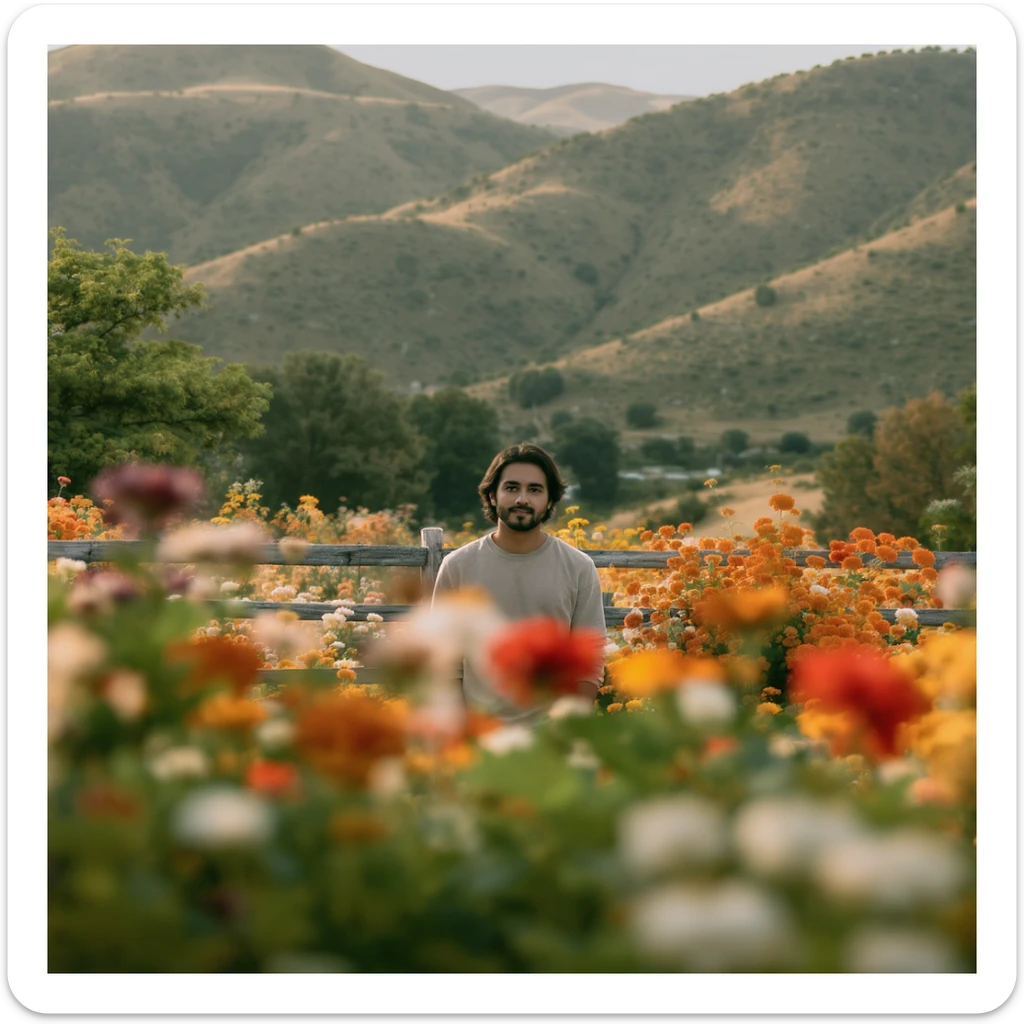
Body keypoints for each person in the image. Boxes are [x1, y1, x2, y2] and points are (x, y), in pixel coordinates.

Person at [431, 442, 607, 723]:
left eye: (534, 490)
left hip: (551, 737)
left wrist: (571, 728)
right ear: (492, 495)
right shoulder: (458, 567)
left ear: (550, 500)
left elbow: (590, 656)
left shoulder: (578, 568)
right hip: (480, 736)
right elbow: (443, 660)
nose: (522, 499)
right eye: (511, 488)